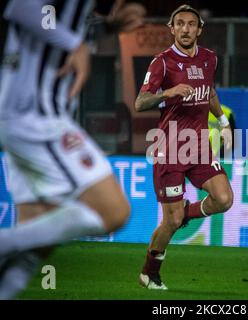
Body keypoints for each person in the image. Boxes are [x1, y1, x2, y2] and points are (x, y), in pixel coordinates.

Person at [0, 0, 144, 300]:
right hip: (36, 113)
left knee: (36, 244)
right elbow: (21, 6)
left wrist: (104, 23)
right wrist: (73, 42)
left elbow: (51, 17)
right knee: (113, 212)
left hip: (27, 111)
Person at [135, 4, 234, 290]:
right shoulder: (162, 63)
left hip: (199, 145)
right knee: (171, 221)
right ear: (172, 28)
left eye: (191, 24)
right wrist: (168, 92)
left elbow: (210, 92)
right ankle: (149, 272)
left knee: (224, 199)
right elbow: (140, 103)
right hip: (170, 149)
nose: (186, 29)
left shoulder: (209, 59)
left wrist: (223, 122)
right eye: (180, 24)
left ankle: (182, 214)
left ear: (199, 30)